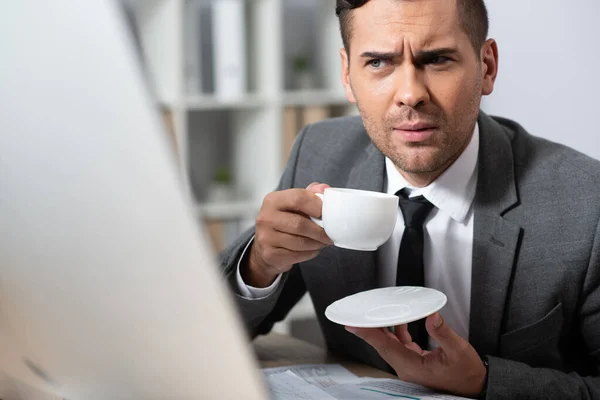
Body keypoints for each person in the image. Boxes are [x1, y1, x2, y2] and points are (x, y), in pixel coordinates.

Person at [219, 0, 600, 398]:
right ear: (347, 75)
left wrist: (485, 382)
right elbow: (211, 329)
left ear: (486, 66)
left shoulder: (586, 203)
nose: (410, 94)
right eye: (379, 63)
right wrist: (259, 266)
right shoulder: (320, 153)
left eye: (436, 59)